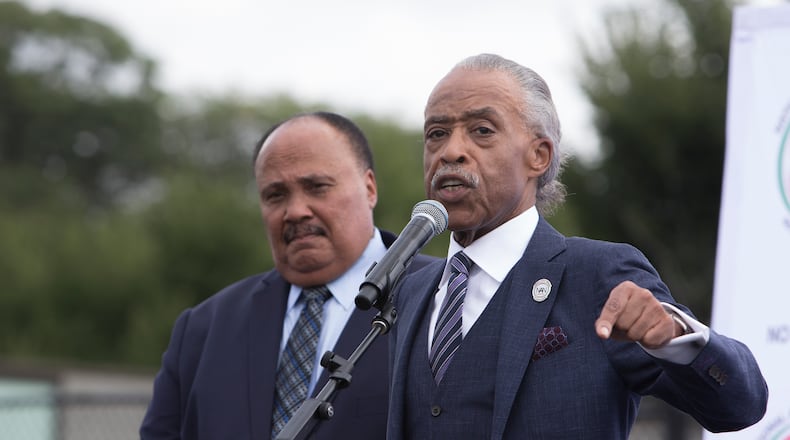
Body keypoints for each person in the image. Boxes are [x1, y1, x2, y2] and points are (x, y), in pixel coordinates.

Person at [386, 53, 769, 439]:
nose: (451, 151)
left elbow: (739, 405)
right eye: (436, 133)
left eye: (482, 130)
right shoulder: (412, 290)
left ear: (539, 156)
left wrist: (675, 337)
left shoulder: (597, 274)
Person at [140, 111, 437, 439]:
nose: (295, 211)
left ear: (369, 188)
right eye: (275, 195)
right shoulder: (203, 328)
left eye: (317, 187)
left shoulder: (445, 299)